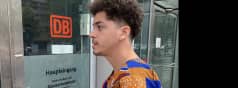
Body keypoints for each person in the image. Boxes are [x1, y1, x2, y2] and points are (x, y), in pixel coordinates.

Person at [88, 0, 162, 88]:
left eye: (99, 27)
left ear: (123, 32)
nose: (91, 34)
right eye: (94, 27)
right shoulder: (125, 72)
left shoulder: (133, 79)